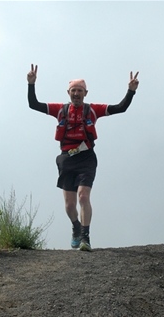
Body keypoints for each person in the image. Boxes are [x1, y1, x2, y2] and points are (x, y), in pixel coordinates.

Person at [27, 64, 139, 252]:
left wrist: (131, 91)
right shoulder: (60, 110)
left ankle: (85, 237)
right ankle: (76, 227)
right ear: (68, 92)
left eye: (80, 90)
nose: (76, 94)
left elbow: (121, 108)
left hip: (86, 157)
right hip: (66, 159)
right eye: (73, 91)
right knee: (70, 205)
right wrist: (31, 84)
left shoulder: (93, 110)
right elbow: (34, 104)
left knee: (83, 196)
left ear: (86, 93)